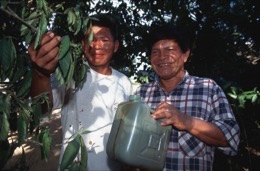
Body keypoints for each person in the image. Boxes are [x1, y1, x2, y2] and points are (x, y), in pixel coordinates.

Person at [28, 14, 132, 170]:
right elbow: (41, 107)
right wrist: (41, 74)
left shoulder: (124, 81)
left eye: (104, 40)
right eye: (91, 39)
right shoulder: (71, 74)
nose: (96, 45)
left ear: (115, 46)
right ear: (83, 44)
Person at [134, 24, 240, 171]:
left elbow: (231, 137)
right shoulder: (141, 93)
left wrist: (187, 121)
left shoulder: (207, 88)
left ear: (185, 55)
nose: (162, 56)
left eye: (169, 50)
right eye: (155, 52)